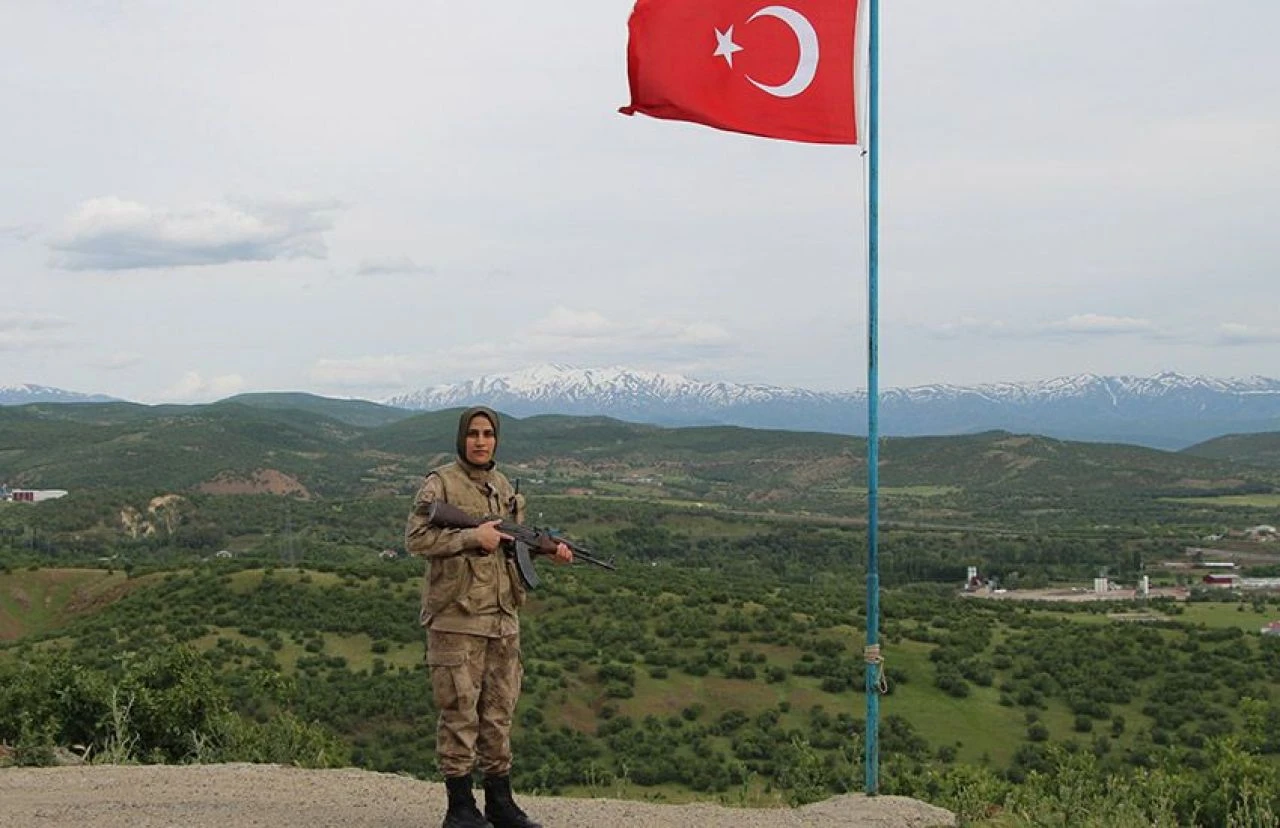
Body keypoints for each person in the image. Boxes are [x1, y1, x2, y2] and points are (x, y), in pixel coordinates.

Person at [406, 406, 571, 828]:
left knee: (499, 711)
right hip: (456, 618)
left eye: (488, 434)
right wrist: (470, 537)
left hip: (502, 618)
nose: (481, 441)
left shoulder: (501, 485)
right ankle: (460, 809)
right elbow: (417, 538)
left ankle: (500, 802)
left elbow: (508, 545)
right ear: (462, 438)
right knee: (460, 711)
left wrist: (546, 549)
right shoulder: (440, 483)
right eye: (474, 433)